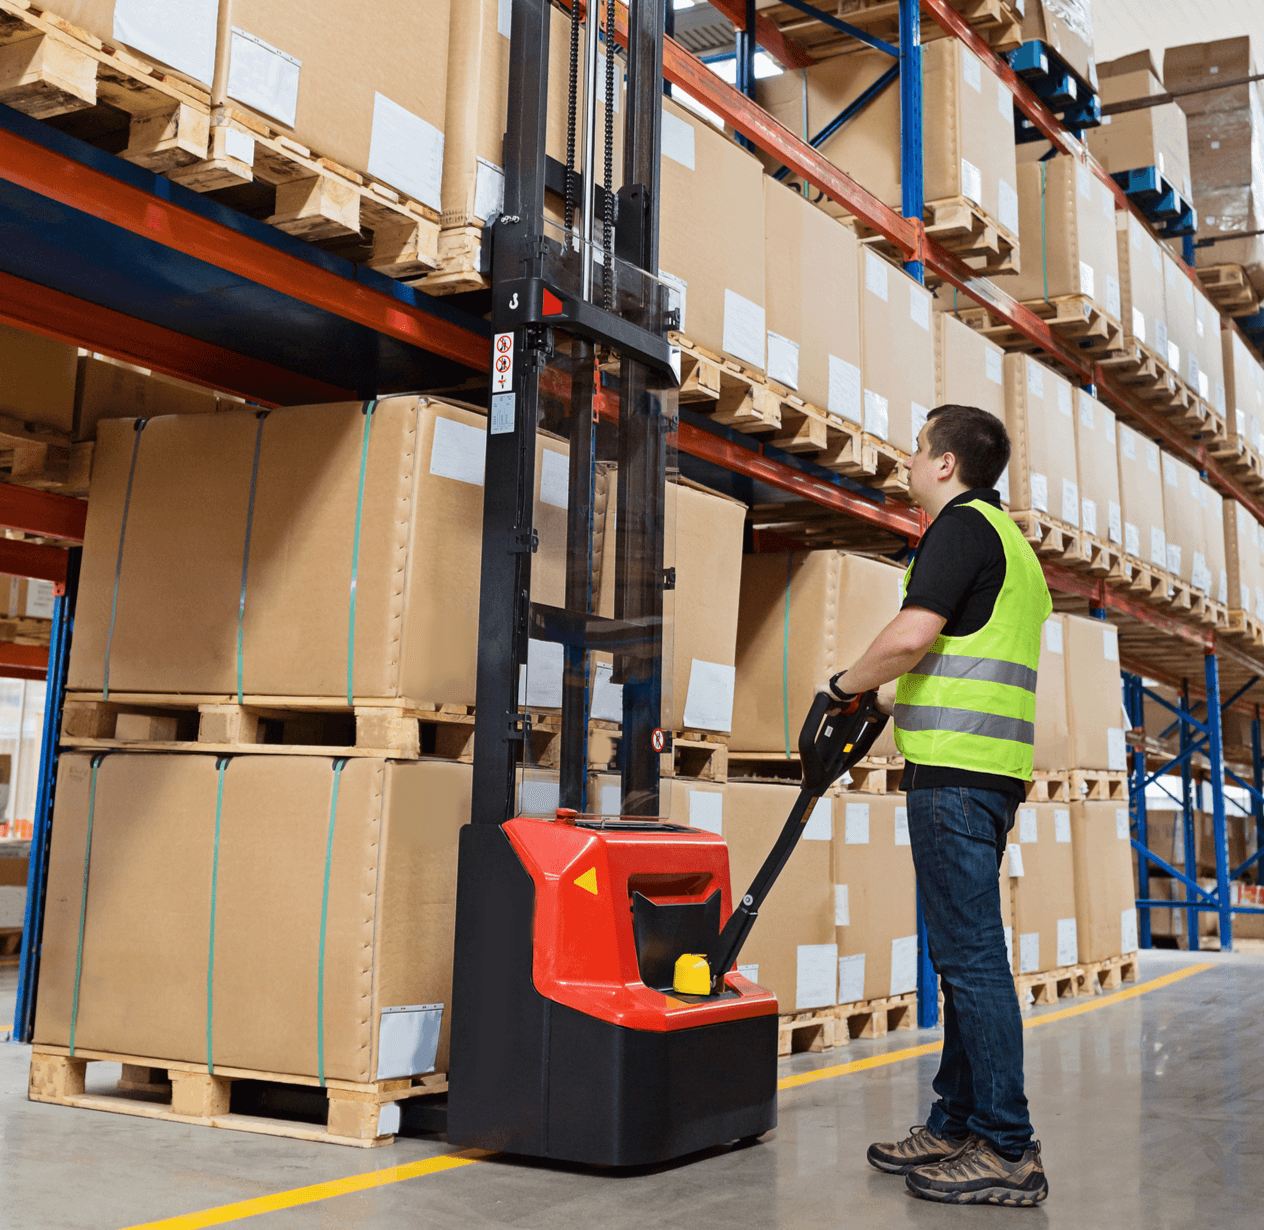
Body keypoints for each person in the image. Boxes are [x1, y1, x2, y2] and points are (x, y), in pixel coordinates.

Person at [826, 403, 1052, 1207]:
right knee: (964, 963)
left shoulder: (957, 529)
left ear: (947, 464)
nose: (910, 465)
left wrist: (842, 686)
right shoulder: (1015, 548)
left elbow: (912, 635)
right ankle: (958, 1119)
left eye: (917, 453)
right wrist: (887, 704)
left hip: (955, 777)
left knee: (970, 962)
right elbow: (961, 650)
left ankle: (1005, 1146)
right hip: (989, 771)